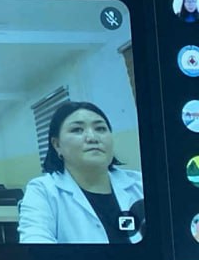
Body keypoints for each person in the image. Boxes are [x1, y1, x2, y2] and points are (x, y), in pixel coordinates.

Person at [19, 101, 144, 243]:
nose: (92, 138)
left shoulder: (140, 183)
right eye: (77, 130)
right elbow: (36, 245)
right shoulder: (43, 190)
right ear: (57, 145)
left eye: (100, 128)